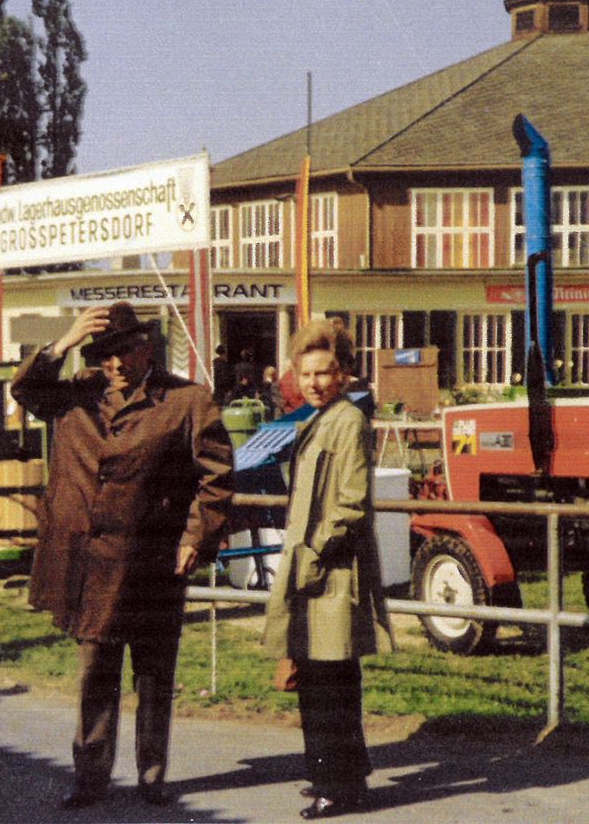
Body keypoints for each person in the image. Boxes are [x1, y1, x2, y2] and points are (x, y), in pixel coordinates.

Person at [11, 302, 234, 810]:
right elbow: (24, 390)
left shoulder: (186, 400)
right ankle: (90, 777)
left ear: (146, 346)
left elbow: (216, 477)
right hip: (92, 564)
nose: (115, 364)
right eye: (105, 354)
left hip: (154, 560)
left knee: (154, 673)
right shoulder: (76, 395)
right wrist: (61, 343)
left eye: (125, 351)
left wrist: (195, 538)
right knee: (96, 671)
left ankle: (152, 776)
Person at [263, 320, 392, 819]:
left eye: (326, 372)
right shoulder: (319, 420)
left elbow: (351, 503)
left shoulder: (346, 421)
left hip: (330, 573)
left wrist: (314, 555)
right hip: (316, 570)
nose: (315, 382)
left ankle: (334, 785)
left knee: (326, 682)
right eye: (307, 373)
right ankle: (341, 774)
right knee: (323, 678)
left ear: (343, 375)